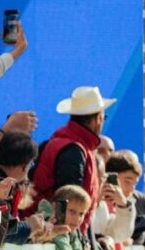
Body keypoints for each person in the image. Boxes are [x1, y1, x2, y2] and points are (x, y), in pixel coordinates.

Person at [30, 86, 115, 232]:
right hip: (60, 236)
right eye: (103, 117)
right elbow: (71, 203)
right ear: (98, 118)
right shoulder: (74, 150)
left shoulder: (65, 143)